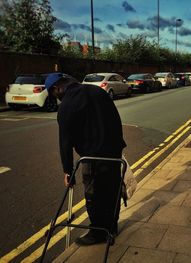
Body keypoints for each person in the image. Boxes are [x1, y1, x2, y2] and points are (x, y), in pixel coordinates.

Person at [45, 73, 126, 246]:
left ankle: (98, 233)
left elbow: (65, 143)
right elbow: (115, 120)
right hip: (113, 153)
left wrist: (68, 171)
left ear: (57, 88)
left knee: (94, 195)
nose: (55, 98)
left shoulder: (66, 107)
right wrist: (118, 147)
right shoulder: (98, 92)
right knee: (112, 191)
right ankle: (111, 228)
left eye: (53, 94)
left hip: (93, 157)